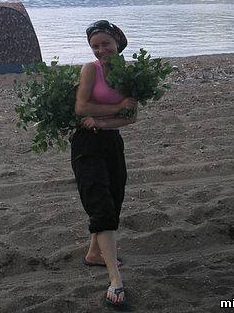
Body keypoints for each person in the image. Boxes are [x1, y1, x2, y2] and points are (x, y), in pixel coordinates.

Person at [72, 19, 138, 308]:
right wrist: (114, 110)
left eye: (105, 44)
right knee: (101, 205)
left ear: (118, 43)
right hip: (86, 143)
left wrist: (101, 120)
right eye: (95, 46)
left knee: (114, 200)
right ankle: (115, 279)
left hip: (111, 141)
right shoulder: (90, 70)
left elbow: (132, 116)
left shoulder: (130, 75)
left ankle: (94, 255)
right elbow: (81, 107)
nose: (100, 50)